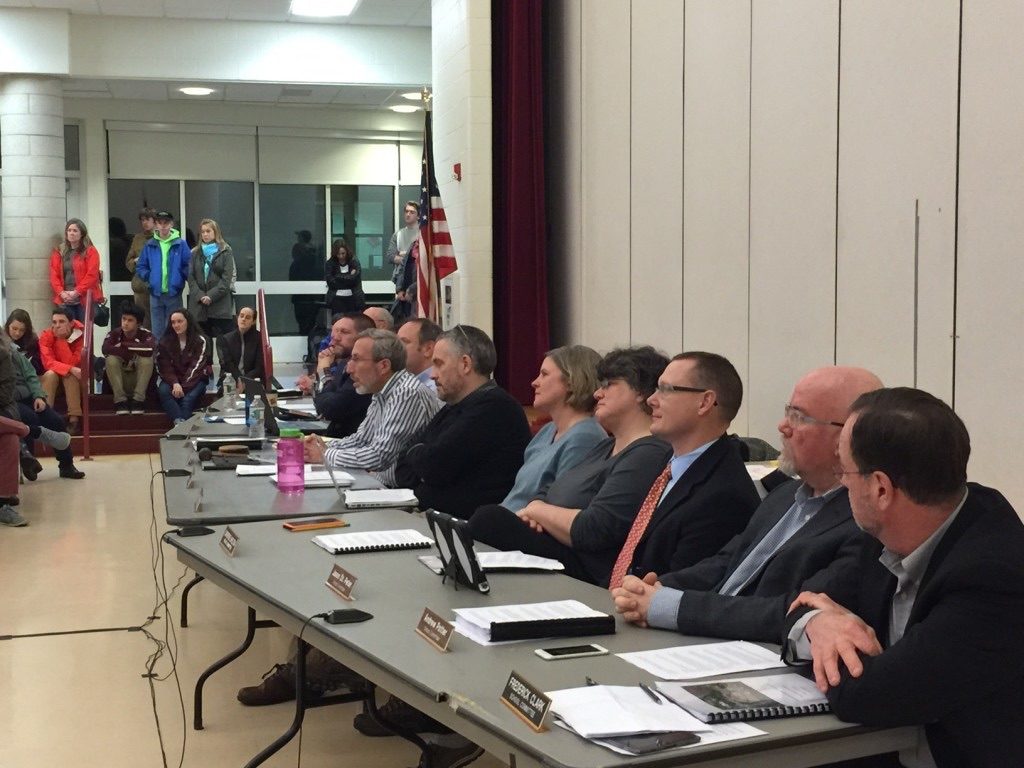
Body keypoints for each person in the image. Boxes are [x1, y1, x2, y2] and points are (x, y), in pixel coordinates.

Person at [783, 387, 1024, 768]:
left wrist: (828, 633)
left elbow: (871, 695)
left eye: (844, 470)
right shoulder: (885, 532)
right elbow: (804, 600)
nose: (842, 483)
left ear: (880, 488)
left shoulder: (994, 575)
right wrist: (820, 624)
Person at [612, 366, 881, 644]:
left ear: (847, 436)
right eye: (788, 412)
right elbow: (726, 562)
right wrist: (656, 589)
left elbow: (799, 612)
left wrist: (672, 606)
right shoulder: (784, 495)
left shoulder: (864, 521)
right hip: (704, 642)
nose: (783, 426)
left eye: (799, 417)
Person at [388, 325, 532, 519]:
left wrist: (419, 458)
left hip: (468, 530)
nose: (432, 374)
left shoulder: (495, 408)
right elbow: (403, 467)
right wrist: (420, 458)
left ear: (465, 364)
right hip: (433, 517)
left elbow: (434, 467)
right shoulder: (453, 406)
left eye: (439, 364)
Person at [304, 329, 442, 479]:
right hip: (383, 483)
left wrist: (325, 454)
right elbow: (362, 440)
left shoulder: (406, 392)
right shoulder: (381, 390)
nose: (349, 369)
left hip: (403, 492)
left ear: (383, 366)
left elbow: (379, 456)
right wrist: (318, 447)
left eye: (356, 359)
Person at [492, 345, 607, 512]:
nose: (534, 383)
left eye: (544, 374)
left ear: (571, 382)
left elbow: (562, 503)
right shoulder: (547, 430)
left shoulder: (585, 438)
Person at [5, 327, 84, 480]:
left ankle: (67, 465)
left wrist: (38, 396)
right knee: (29, 418)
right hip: (8, 400)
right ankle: (30, 462)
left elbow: (31, 376)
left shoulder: (13, 352)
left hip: (29, 397)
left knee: (56, 420)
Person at [307, 313, 374, 438]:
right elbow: (323, 401)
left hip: (351, 443)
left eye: (344, 332)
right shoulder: (344, 363)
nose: (335, 338)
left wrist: (323, 371)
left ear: (364, 337)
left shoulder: (366, 369)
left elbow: (331, 408)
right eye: (333, 332)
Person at [136, 210, 191, 342]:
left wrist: (179, 280)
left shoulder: (180, 244)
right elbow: (141, 266)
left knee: (175, 330)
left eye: (166, 223)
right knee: (157, 331)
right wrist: (150, 279)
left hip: (174, 294)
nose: (163, 226)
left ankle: (175, 359)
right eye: (160, 223)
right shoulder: (150, 245)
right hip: (155, 295)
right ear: (156, 225)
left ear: (171, 224)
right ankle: (159, 360)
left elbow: (188, 265)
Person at [155, 309, 211, 424]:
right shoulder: (165, 342)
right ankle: (180, 424)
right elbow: (164, 367)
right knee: (164, 392)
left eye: (180, 321)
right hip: (173, 380)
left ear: (188, 322)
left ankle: (181, 426)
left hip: (196, 379)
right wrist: (175, 383)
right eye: (173, 322)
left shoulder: (200, 340)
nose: (176, 325)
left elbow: (197, 366)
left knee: (187, 399)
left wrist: (182, 387)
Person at [101, 301, 156, 414]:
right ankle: (120, 401)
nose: (125, 323)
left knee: (146, 360)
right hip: (119, 381)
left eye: (130, 320)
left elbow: (150, 349)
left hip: (140, 382)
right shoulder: (114, 334)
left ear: (138, 323)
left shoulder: (146, 335)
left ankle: (138, 401)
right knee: (111, 359)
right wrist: (135, 349)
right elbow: (105, 349)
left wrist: (123, 346)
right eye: (124, 319)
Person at [187, 218, 236, 341]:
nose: (205, 234)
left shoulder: (225, 251)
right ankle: (206, 361)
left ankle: (224, 361)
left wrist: (210, 296)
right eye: (203, 232)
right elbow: (190, 277)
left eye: (208, 231)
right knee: (203, 341)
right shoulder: (195, 253)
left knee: (224, 343)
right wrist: (200, 296)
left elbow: (226, 279)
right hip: (199, 305)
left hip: (220, 304)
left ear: (215, 232)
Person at [48, 218, 104, 323]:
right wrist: (61, 293)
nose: (71, 233)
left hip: (84, 299)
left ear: (82, 233)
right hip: (65, 299)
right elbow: (53, 274)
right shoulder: (59, 251)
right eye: (69, 230)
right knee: (68, 333)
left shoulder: (90, 251)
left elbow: (92, 275)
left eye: (75, 231)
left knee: (84, 332)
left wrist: (77, 292)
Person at [38, 308, 85, 434]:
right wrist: (60, 339)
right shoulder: (46, 335)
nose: (57, 326)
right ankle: (45, 417)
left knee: (71, 374)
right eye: (54, 322)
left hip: (73, 384)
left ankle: (74, 419)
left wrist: (62, 340)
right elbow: (48, 363)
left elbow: (73, 362)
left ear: (71, 323)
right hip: (53, 383)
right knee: (51, 374)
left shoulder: (80, 336)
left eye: (61, 322)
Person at [216, 307, 264, 393]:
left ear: (253, 321)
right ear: (237, 318)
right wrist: (238, 380)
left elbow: (259, 366)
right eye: (241, 316)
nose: (243, 319)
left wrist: (245, 381)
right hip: (231, 378)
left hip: (251, 379)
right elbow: (227, 364)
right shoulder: (226, 338)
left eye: (248, 317)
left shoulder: (259, 338)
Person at [388, 201, 420, 321]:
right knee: (403, 313)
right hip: (401, 278)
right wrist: (407, 257)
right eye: (406, 211)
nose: (408, 214)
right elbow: (391, 256)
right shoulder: (398, 235)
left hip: (417, 279)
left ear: (418, 215)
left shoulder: (422, 234)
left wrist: (402, 254)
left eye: (412, 212)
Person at [125, 207, 156, 327]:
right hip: (140, 286)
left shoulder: (160, 238)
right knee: (141, 320)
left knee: (156, 320)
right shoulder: (137, 238)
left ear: (154, 221)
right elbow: (128, 261)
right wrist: (136, 261)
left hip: (155, 285)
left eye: (147, 219)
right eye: (142, 220)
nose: (145, 223)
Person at [289, 229, 320, 337]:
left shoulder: (304, 258)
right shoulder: (314, 255)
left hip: (305, 297)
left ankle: (307, 343)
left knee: (305, 323)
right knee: (307, 323)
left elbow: (295, 276)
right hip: (308, 297)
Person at [396, 317, 441, 392]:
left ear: (428, 349)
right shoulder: (409, 384)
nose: (395, 348)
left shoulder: (435, 390)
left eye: (403, 342)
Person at [324, 238, 365, 315]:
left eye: (343, 253)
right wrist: (349, 277)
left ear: (347, 252)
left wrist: (338, 277)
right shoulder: (330, 263)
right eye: (338, 254)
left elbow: (355, 280)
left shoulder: (354, 261)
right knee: (338, 322)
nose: (341, 256)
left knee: (352, 324)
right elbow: (331, 282)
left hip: (353, 299)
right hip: (336, 299)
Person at [5, 309, 43, 374]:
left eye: (22, 330)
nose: (17, 333)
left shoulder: (32, 341)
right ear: (8, 326)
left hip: (27, 376)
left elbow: (38, 368)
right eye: (14, 328)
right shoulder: (2, 339)